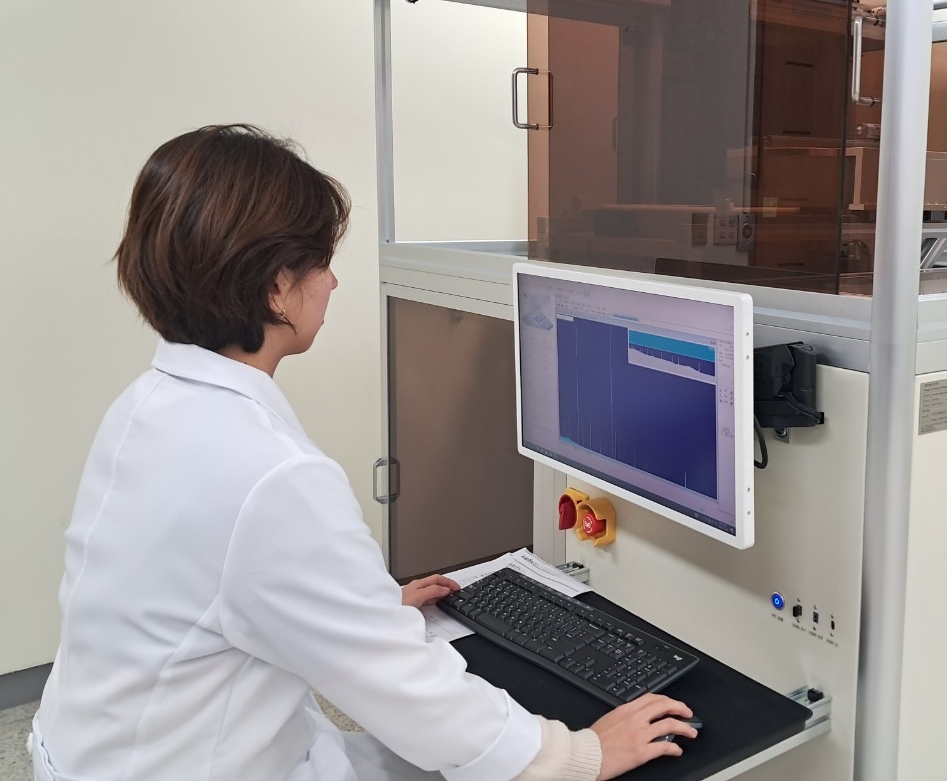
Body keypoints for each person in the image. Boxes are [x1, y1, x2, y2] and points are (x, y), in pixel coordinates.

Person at [29, 125, 696, 781]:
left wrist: (358, 608)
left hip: (98, 749)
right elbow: (409, 693)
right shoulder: (271, 475)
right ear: (275, 286)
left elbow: (212, 588)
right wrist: (581, 756)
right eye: (320, 262)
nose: (332, 283)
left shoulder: (148, 403)